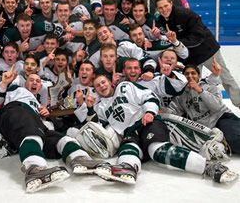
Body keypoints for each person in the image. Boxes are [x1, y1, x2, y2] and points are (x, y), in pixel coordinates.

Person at [87, 74, 237, 184]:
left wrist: (149, 112)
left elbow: (149, 96)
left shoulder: (125, 86)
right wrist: (88, 108)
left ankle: (208, 166)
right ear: (96, 90)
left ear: (110, 83)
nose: (102, 86)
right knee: (127, 150)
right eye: (98, 85)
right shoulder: (100, 107)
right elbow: (100, 128)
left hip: (147, 122)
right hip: (129, 132)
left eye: (103, 82)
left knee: (157, 150)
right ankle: (128, 169)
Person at [0, 70, 109, 193]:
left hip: (33, 122)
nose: (34, 82)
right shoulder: (16, 89)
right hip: (15, 112)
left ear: (40, 87)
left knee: (61, 139)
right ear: (25, 83)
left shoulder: (37, 104)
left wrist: (44, 115)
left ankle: (80, 159)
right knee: (32, 135)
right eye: (31, 80)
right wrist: (4, 84)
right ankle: (34, 169)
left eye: (37, 81)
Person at [155, 0, 240, 108]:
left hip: (208, 51)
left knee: (226, 78)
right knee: (190, 84)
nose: (164, 10)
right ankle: (195, 111)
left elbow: (198, 37)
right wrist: (160, 36)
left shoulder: (185, 14)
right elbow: (170, 39)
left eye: (166, 6)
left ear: (171, 4)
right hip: (191, 57)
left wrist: (177, 42)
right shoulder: (161, 20)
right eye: (160, 8)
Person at [167, 59, 240, 154]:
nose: (190, 76)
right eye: (187, 74)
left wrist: (200, 90)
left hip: (221, 118)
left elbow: (216, 106)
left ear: (199, 76)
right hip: (204, 127)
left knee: (235, 140)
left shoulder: (209, 86)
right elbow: (175, 110)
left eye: (193, 73)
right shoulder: (181, 94)